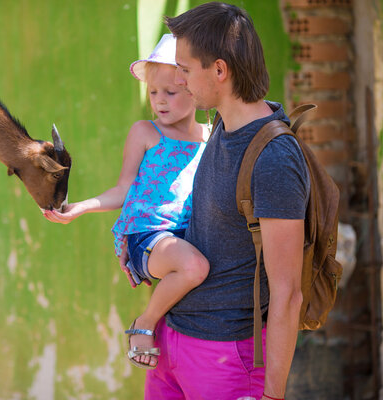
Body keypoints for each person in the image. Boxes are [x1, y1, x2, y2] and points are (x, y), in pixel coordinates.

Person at [138, 2, 310, 400]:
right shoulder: (219, 124)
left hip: (226, 358)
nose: (179, 81)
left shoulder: (274, 158)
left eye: (184, 69)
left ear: (219, 70)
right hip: (173, 341)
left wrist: (272, 395)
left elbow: (288, 294)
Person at [43, 34, 210, 370]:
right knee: (194, 267)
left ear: (194, 90)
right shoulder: (146, 133)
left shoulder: (210, 136)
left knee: (200, 264)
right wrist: (83, 207)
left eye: (170, 92)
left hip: (185, 235)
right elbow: (125, 188)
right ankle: (143, 323)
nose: (159, 101)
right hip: (148, 236)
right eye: (153, 92)